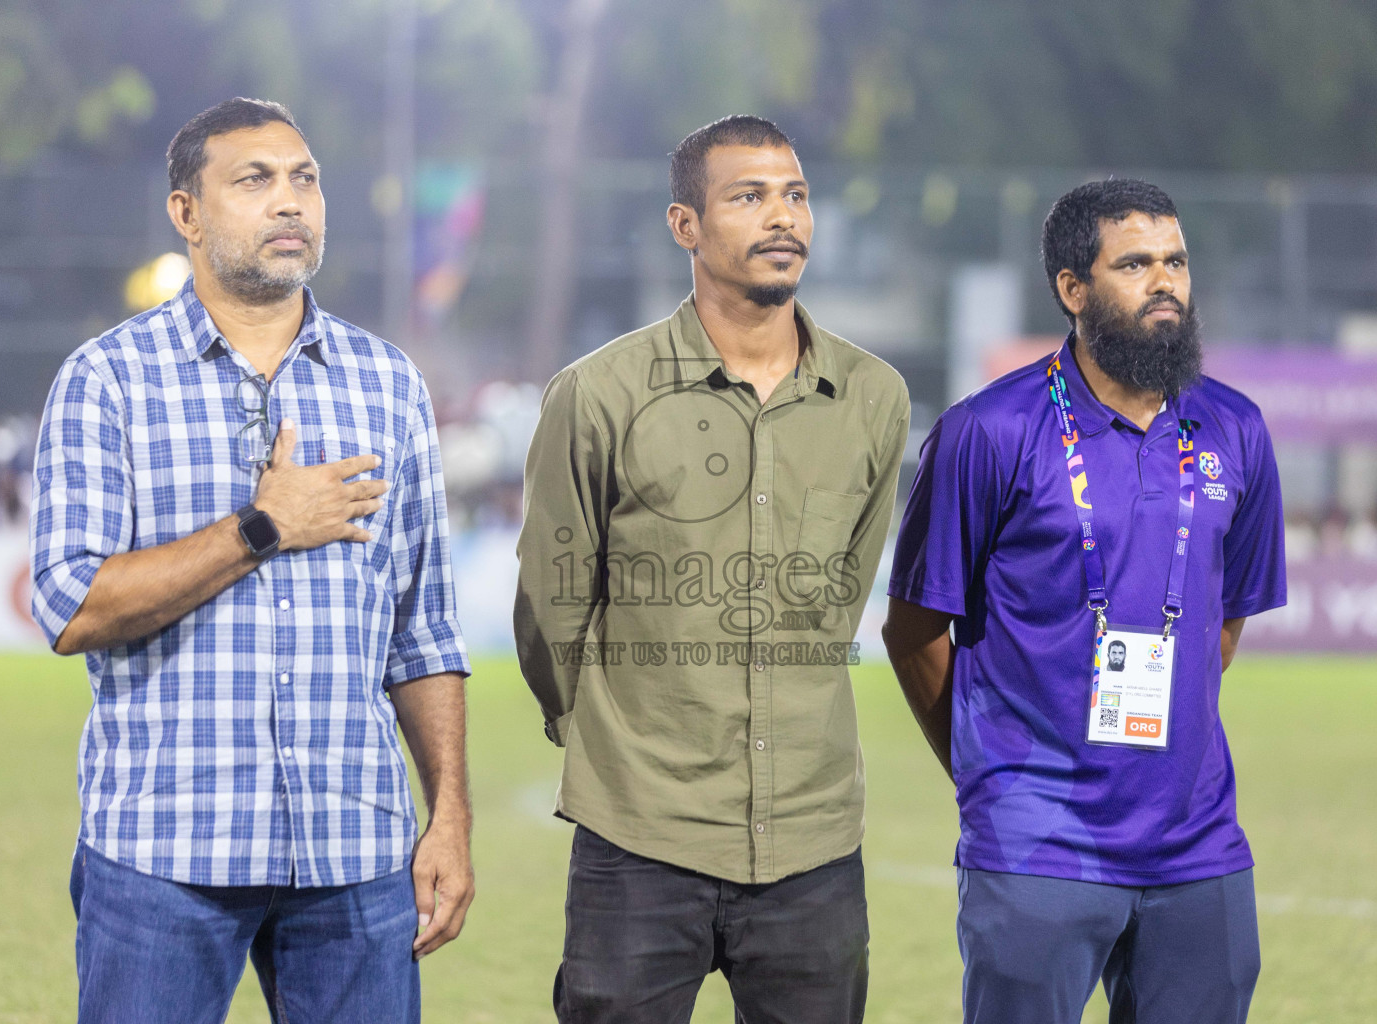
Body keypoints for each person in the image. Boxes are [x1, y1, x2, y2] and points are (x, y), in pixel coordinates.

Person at [29, 98, 473, 1023]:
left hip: (354, 854)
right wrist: (260, 528)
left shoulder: (388, 381)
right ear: (186, 213)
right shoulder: (107, 380)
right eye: (255, 180)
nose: (290, 202)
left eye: (304, 179)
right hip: (164, 856)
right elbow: (72, 606)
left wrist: (451, 817)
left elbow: (421, 630)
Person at [515, 114, 910, 1023]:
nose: (783, 217)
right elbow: (550, 604)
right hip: (638, 839)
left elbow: (842, 600)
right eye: (748, 196)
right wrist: (611, 736)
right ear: (684, 226)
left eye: (796, 195)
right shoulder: (598, 394)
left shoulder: (873, 396)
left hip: (813, 848)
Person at [883, 179, 1286, 1024]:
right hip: (1037, 843)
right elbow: (914, 625)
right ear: (1073, 289)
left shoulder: (1236, 429)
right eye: (1134, 263)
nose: (1165, 280)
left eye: (1175, 260)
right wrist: (986, 774)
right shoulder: (985, 431)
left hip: (1197, 843)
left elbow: (1222, 624)